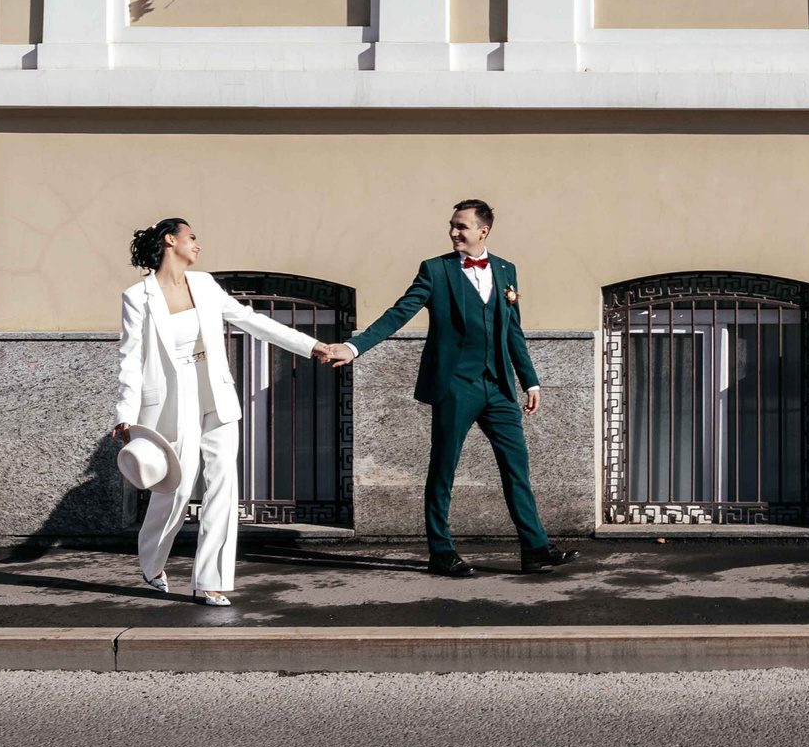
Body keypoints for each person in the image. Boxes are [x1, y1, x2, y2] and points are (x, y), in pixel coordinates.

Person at [324, 199, 575, 577]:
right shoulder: (436, 270)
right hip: (456, 385)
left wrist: (531, 380)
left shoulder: (507, 270)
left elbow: (513, 331)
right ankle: (441, 551)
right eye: (452, 226)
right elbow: (399, 312)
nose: (454, 232)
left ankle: (535, 548)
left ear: (483, 231)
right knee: (443, 468)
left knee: (516, 468)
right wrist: (355, 346)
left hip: (500, 386)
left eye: (461, 226)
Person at [113, 217, 326, 606]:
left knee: (224, 488)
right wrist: (125, 413)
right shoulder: (137, 297)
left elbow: (251, 320)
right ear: (170, 240)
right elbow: (130, 360)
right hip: (172, 403)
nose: (197, 245)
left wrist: (310, 346)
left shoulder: (205, 284)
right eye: (192, 237)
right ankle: (152, 560)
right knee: (175, 490)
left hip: (216, 393)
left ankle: (211, 580)